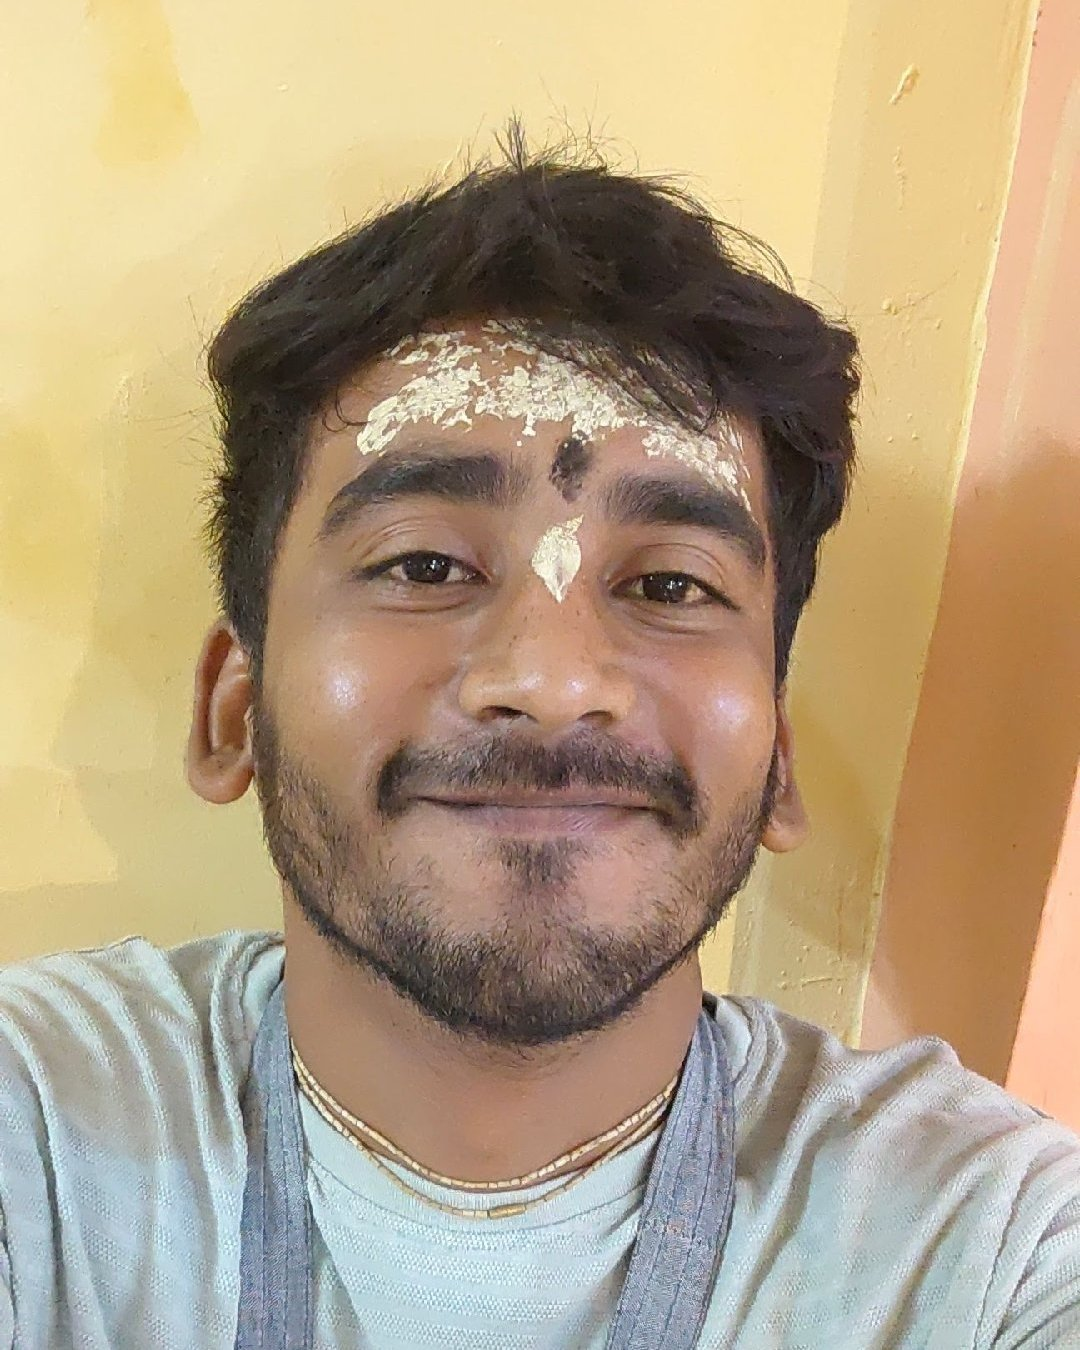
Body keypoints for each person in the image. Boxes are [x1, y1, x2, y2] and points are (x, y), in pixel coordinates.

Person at [1, 134, 1078, 1350]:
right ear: (232, 709)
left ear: (777, 757)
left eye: (670, 585)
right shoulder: (37, 1136)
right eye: (424, 565)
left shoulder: (990, 1248)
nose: (555, 684)